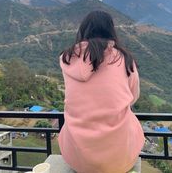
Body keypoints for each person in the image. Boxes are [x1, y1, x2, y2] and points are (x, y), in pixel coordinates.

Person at [58, 10, 145, 173]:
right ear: (110, 31)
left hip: (77, 158)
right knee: (130, 117)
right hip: (119, 159)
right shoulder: (124, 59)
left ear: (83, 30)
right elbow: (133, 97)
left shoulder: (67, 59)